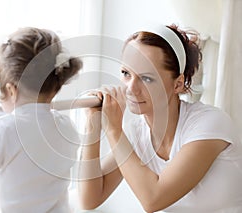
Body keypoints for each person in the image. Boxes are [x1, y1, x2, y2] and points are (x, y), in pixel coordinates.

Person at [78, 24, 242, 212]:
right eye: (126, 74)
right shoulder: (137, 132)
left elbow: (153, 200)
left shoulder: (210, 124)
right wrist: (92, 126)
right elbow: (90, 199)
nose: (131, 88)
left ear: (178, 84)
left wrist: (113, 129)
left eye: (147, 78)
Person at [0, 27, 82, 213]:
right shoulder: (67, 127)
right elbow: (36, 172)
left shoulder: (8, 128)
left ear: (11, 90)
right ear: (55, 87)